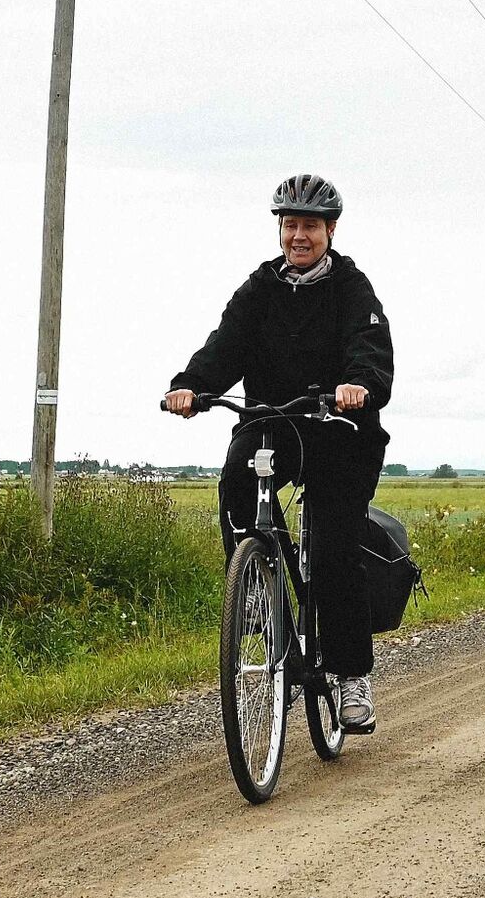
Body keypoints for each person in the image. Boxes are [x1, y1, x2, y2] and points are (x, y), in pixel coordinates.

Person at [165, 173, 394, 733]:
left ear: (331, 230)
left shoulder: (352, 287)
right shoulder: (261, 288)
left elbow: (370, 349)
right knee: (236, 481)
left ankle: (350, 675)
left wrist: (358, 385)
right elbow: (225, 346)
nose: (298, 236)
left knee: (335, 547)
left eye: (310, 226)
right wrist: (191, 385)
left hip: (341, 430)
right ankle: (259, 598)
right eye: (290, 225)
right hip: (274, 424)